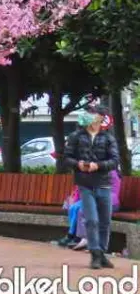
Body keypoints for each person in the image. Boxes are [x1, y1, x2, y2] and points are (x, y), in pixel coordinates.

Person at [62, 106, 119, 269]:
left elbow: (115, 161)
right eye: (89, 114)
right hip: (85, 184)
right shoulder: (75, 136)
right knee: (92, 220)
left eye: (94, 114)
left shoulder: (108, 138)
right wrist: (78, 164)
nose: (90, 117)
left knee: (105, 221)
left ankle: (101, 253)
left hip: (104, 184)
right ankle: (95, 254)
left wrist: (98, 165)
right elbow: (66, 158)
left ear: (100, 118)